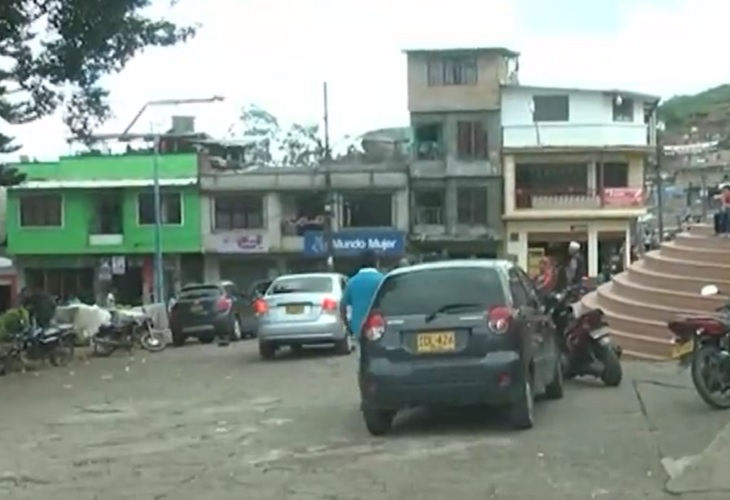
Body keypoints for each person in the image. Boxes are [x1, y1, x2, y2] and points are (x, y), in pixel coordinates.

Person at [340, 250, 384, 341]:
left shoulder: (352, 282)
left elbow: (342, 306)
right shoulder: (382, 279)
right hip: (381, 326)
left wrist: (348, 326)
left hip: (358, 328)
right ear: (376, 262)